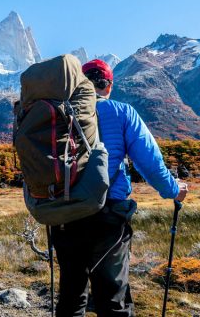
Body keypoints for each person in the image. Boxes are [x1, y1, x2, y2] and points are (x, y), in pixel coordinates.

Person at [49, 59, 189, 316]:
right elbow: (150, 162)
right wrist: (173, 189)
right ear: (109, 85)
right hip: (107, 216)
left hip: (63, 216)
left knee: (71, 296)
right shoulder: (122, 112)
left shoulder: (61, 115)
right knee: (113, 299)